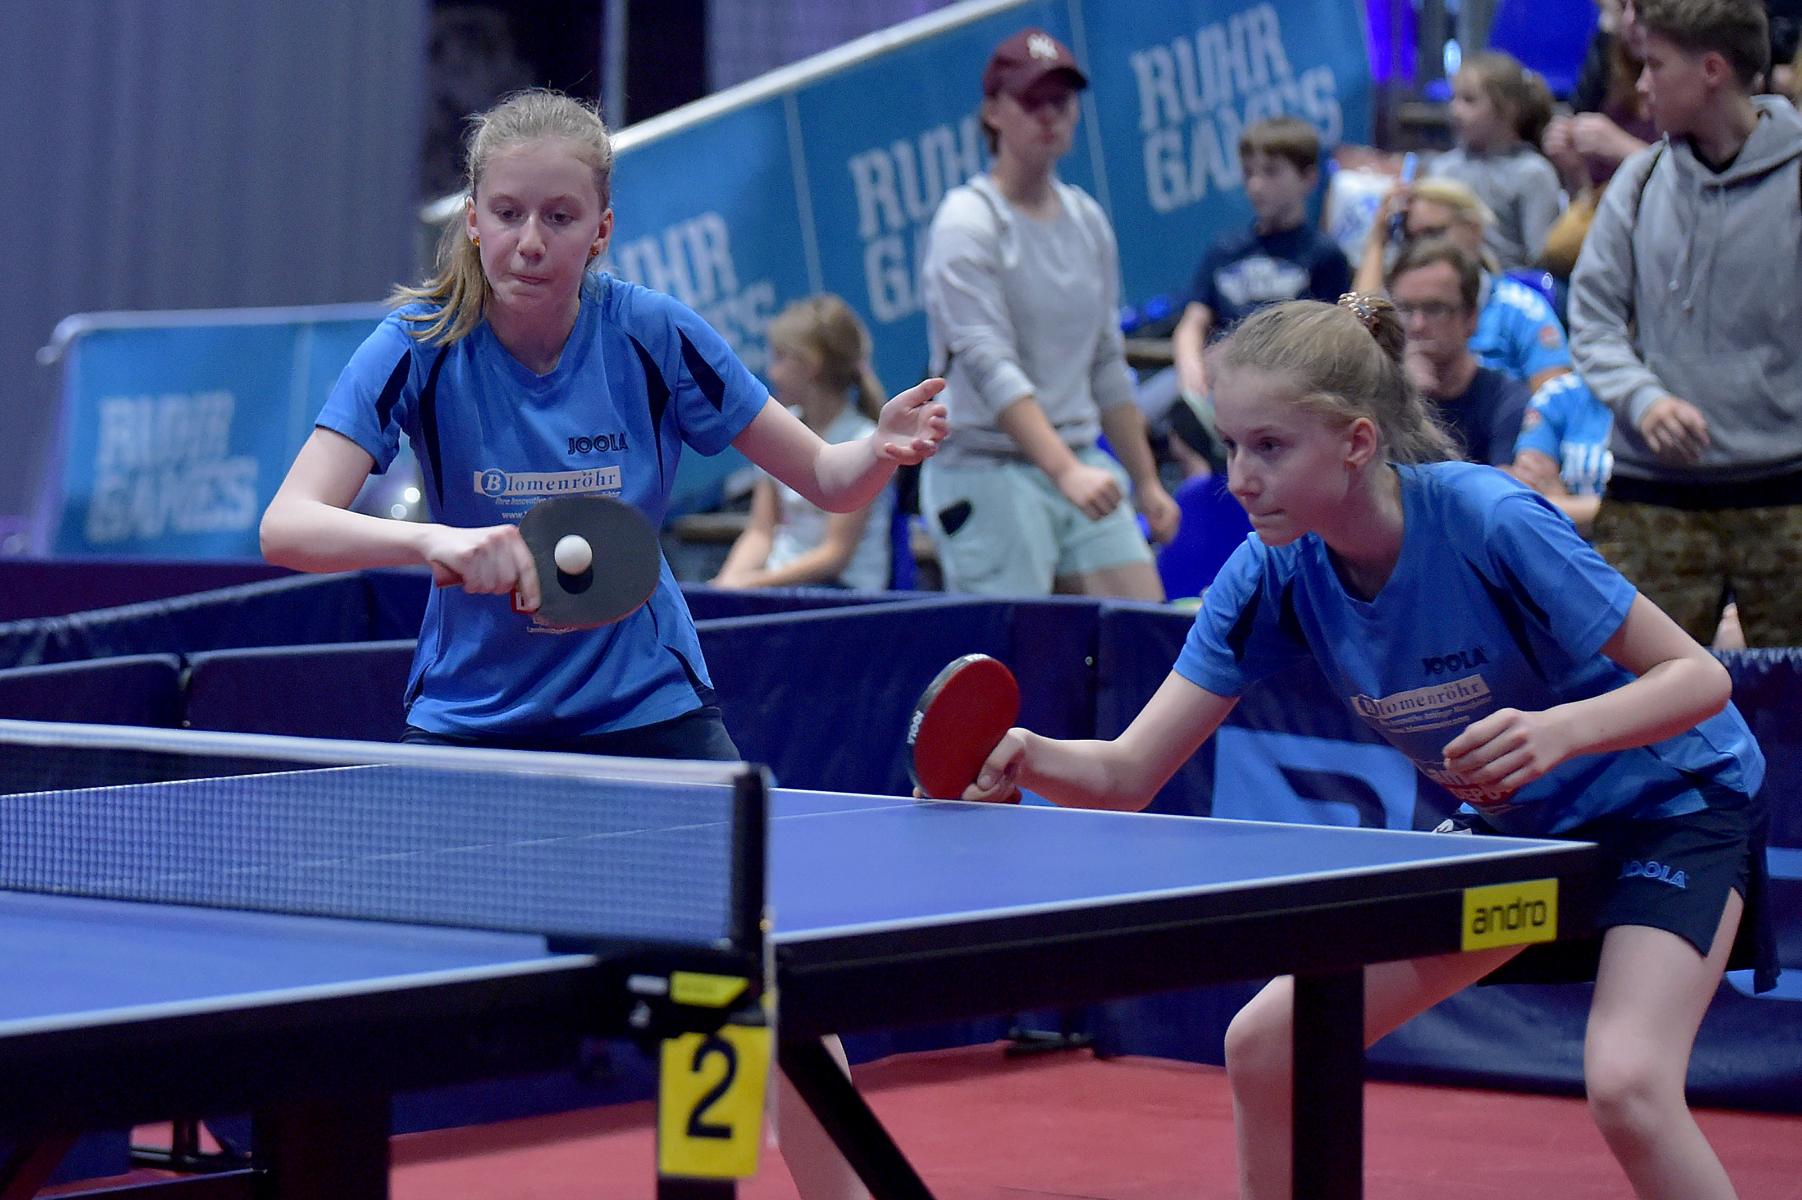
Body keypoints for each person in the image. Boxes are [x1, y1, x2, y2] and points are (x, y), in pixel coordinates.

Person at [259, 88, 948, 1200]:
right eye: (507, 213)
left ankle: (775, 1192)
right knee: (360, 999)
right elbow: (287, 525)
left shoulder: (652, 335)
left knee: (747, 978)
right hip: (476, 725)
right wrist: (433, 539)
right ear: (472, 218)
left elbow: (823, 477)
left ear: (602, 229)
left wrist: (880, 449)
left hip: (647, 713)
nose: (530, 242)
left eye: (560, 216)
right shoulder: (417, 346)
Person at [959, 294, 1771, 1200]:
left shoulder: (1489, 520)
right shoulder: (1271, 573)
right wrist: (1027, 754)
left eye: (1270, 447)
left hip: (1675, 805)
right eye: (1231, 446)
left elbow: (1699, 678)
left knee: (1629, 1087)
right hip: (1527, 829)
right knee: (1267, 1048)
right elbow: (1127, 774)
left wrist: (1559, 731)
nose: (1239, 478)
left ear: (1356, 442)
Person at [1569, 0, 1802, 648]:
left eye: (1655, 65)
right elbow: (1591, 317)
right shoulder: (1639, 181)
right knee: (1631, 693)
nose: (1641, 85)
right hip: (1653, 495)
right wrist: (1643, 400)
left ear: (1712, 70)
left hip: (1787, 493)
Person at [920, 27, 1177, 600]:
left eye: (1060, 101)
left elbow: (1106, 361)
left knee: (1143, 628)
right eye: (1031, 100)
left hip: (1079, 457)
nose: (1049, 116)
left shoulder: (1087, 220)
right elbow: (990, 365)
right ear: (993, 112)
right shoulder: (967, 221)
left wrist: (1146, 482)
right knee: (1019, 652)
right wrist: (1065, 472)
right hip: (985, 468)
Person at [712, 295, 894, 591]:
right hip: (779, 585)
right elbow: (760, 532)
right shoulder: (776, 430)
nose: (772, 372)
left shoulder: (864, 440)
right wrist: (724, 585)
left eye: (780, 357)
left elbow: (834, 554)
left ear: (811, 365)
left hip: (842, 592)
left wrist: (752, 584)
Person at [1170, 116, 1352, 410]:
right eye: (1248, 172)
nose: (1256, 185)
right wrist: (1191, 368)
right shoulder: (1225, 249)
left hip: (1290, 387)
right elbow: (1193, 322)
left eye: (1271, 172)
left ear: (1308, 178)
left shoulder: (1324, 254)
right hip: (1219, 378)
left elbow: (1332, 341)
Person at [1354, 177, 1573, 392]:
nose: (1422, 246)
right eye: (1410, 237)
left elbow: (1555, 401)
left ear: (1473, 230)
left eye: (1433, 233)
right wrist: (1378, 238)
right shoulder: (1399, 306)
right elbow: (1358, 340)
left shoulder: (1520, 309)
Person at [1388, 239, 1530, 466]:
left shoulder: (1506, 401)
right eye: (1404, 309)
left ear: (1471, 318)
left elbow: (1502, 486)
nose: (1417, 325)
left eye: (1435, 308)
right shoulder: (1380, 399)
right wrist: (1407, 398)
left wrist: (1420, 408)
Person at [1425, 51, 1563, 275]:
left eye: (1469, 100)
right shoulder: (1443, 168)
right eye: (1453, 98)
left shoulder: (1533, 173)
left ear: (1509, 109)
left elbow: (1541, 259)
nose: (1455, 110)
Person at [1511, 369, 1616, 533]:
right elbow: (1531, 507)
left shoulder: (1659, 398)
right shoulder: (1558, 394)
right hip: (1567, 545)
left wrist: (1569, 505)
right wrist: (1621, 511)